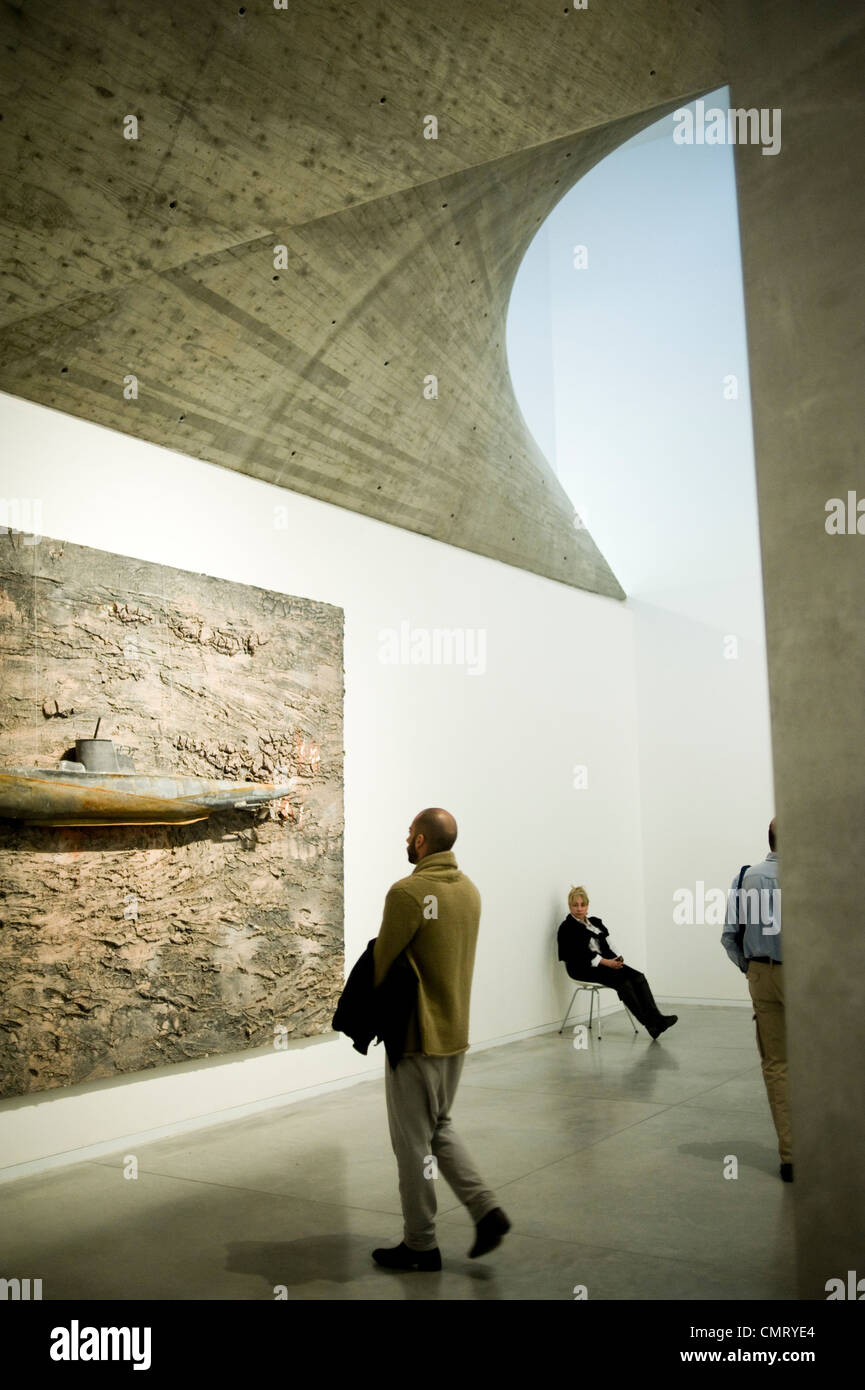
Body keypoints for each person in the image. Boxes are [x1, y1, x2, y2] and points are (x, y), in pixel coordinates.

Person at [371, 807, 510, 1270]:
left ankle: (420, 1244)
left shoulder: (408, 893)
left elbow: (382, 964)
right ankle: (486, 1209)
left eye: (411, 833)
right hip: (455, 1033)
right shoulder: (469, 891)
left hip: (415, 1037)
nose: (406, 839)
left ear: (424, 841)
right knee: (439, 1128)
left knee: (411, 1144)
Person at [721, 817, 792, 1182]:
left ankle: (791, 1157)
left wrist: (751, 970)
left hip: (762, 975)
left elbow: (729, 936)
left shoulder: (746, 876)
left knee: (778, 1066)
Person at [557, 886, 678, 1040]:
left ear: (587, 905)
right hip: (582, 967)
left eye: (583, 904)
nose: (579, 908)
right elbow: (579, 954)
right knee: (623, 983)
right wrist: (606, 963)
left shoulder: (594, 922)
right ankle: (650, 1024)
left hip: (606, 962)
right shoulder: (567, 927)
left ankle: (657, 1019)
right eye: (575, 905)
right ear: (570, 906)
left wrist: (618, 957)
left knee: (638, 977)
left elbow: (609, 942)